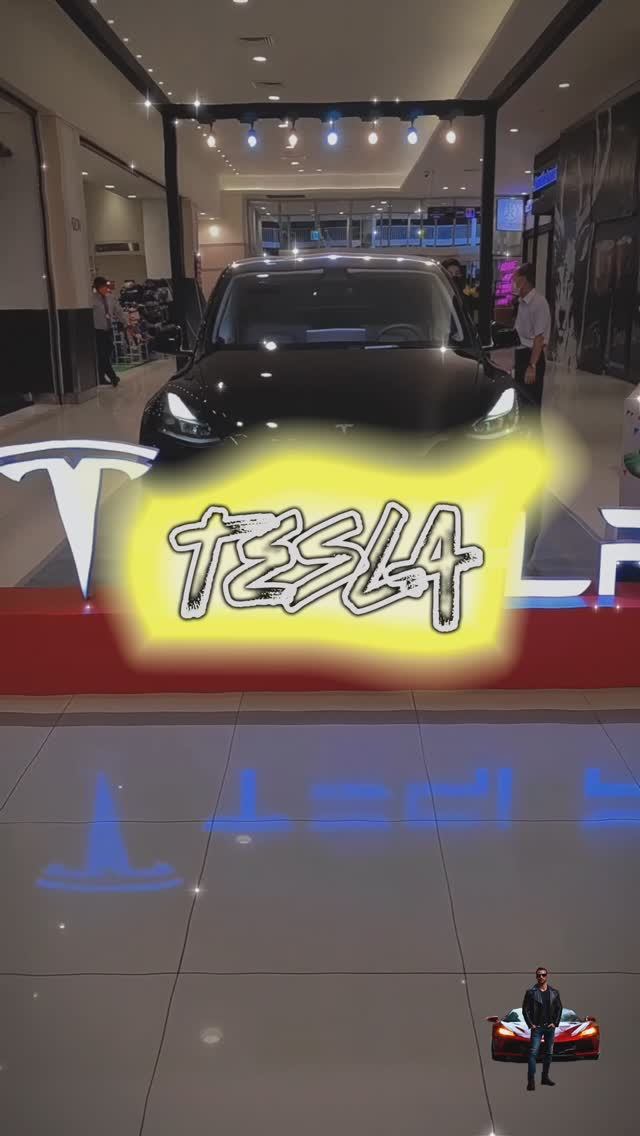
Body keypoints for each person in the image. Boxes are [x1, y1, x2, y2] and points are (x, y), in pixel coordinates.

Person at [513, 263, 551, 410]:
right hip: (521, 354)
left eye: (515, 279)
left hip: (532, 356)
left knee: (531, 404)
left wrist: (532, 366)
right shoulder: (522, 302)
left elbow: (539, 338)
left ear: (524, 280)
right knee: (521, 401)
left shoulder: (539, 303)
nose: (513, 283)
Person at [522, 966, 562, 1091]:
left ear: (547, 976)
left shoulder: (554, 992)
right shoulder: (531, 992)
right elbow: (525, 1010)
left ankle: (545, 1078)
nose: (541, 977)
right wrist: (531, 1024)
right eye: (539, 975)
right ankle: (531, 1081)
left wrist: (555, 1023)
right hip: (537, 1027)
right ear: (536, 977)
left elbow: (559, 1008)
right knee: (533, 1054)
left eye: (543, 975)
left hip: (550, 1027)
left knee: (548, 1053)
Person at [92, 275, 127, 386]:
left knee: (108, 351)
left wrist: (125, 322)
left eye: (105, 286)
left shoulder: (111, 298)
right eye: (102, 286)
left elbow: (119, 311)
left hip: (108, 329)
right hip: (97, 331)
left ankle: (100, 377)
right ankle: (113, 377)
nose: (105, 289)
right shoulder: (91, 299)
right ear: (97, 287)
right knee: (102, 355)